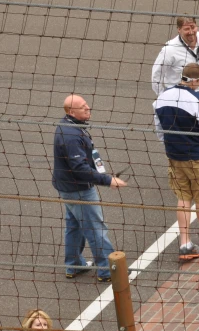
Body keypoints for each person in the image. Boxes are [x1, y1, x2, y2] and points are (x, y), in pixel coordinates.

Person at [154, 63, 199, 260]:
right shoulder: (197, 99)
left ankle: (185, 243)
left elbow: (159, 130)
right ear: (197, 80)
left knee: (183, 197)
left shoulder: (162, 97)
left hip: (174, 155)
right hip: (197, 155)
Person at [53, 94, 126, 283]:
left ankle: (74, 265)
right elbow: (80, 169)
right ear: (71, 112)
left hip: (67, 186)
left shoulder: (70, 127)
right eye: (82, 107)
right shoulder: (71, 136)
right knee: (95, 228)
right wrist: (107, 179)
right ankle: (109, 270)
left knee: (74, 225)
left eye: (87, 105)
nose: (88, 108)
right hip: (78, 189)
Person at [152, 16, 199, 95]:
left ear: (196, 26)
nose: (191, 32)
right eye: (186, 29)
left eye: (193, 27)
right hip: (177, 97)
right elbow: (156, 76)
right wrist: (164, 97)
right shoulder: (169, 49)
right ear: (179, 29)